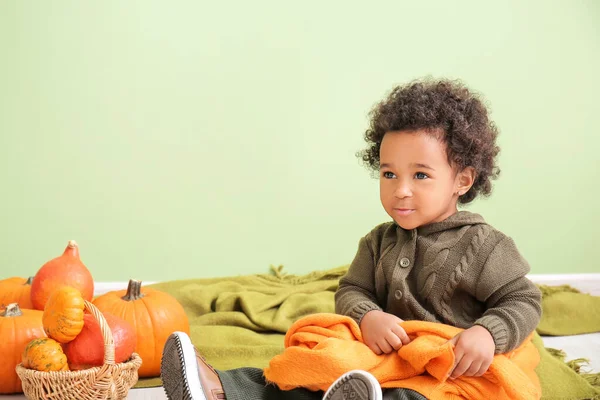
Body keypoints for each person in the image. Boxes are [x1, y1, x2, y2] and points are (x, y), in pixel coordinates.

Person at [159, 78, 542, 400]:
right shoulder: (377, 242)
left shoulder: (485, 246)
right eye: (389, 174)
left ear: (463, 180)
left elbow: (522, 300)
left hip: (443, 366)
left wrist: (486, 333)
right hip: (380, 356)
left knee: (419, 395)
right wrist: (368, 315)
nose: (401, 190)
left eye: (421, 175)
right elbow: (352, 290)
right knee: (317, 359)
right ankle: (222, 387)